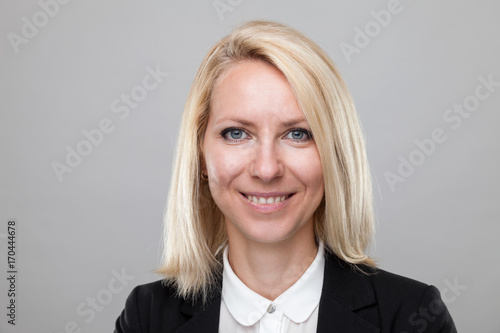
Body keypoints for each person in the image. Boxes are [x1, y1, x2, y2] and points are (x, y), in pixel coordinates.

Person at [114, 20, 456, 332]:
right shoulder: (147, 317)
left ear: (333, 156)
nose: (267, 169)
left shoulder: (414, 316)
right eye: (236, 133)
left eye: (297, 134)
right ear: (201, 156)